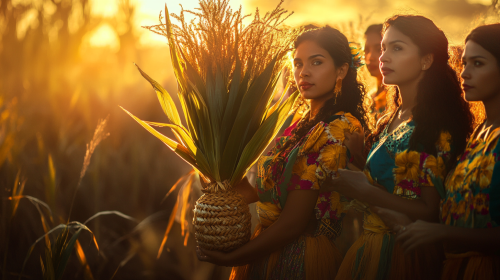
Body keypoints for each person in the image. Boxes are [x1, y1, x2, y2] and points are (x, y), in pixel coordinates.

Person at [196, 26, 369, 280]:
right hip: (267, 249)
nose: (304, 72)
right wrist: (214, 158)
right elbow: (264, 194)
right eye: (298, 64)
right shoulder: (299, 125)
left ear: (342, 70)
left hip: (300, 258)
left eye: (316, 62)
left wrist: (234, 257)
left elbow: (294, 223)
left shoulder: (338, 127)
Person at [325, 15, 474, 280]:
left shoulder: (435, 126)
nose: (383, 57)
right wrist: (358, 161)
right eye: (383, 48)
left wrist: (364, 190)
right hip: (369, 243)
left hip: (402, 253)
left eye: (397, 48)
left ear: (426, 60)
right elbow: (390, 183)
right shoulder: (391, 118)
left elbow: (429, 210)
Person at [396, 23, 500, 280]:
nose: (464, 73)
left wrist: (442, 232)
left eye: (478, 63)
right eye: (463, 63)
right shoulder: (480, 132)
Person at [364, 24, 387, 120]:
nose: (370, 57)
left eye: (379, 50)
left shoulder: (399, 100)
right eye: (366, 50)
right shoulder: (368, 98)